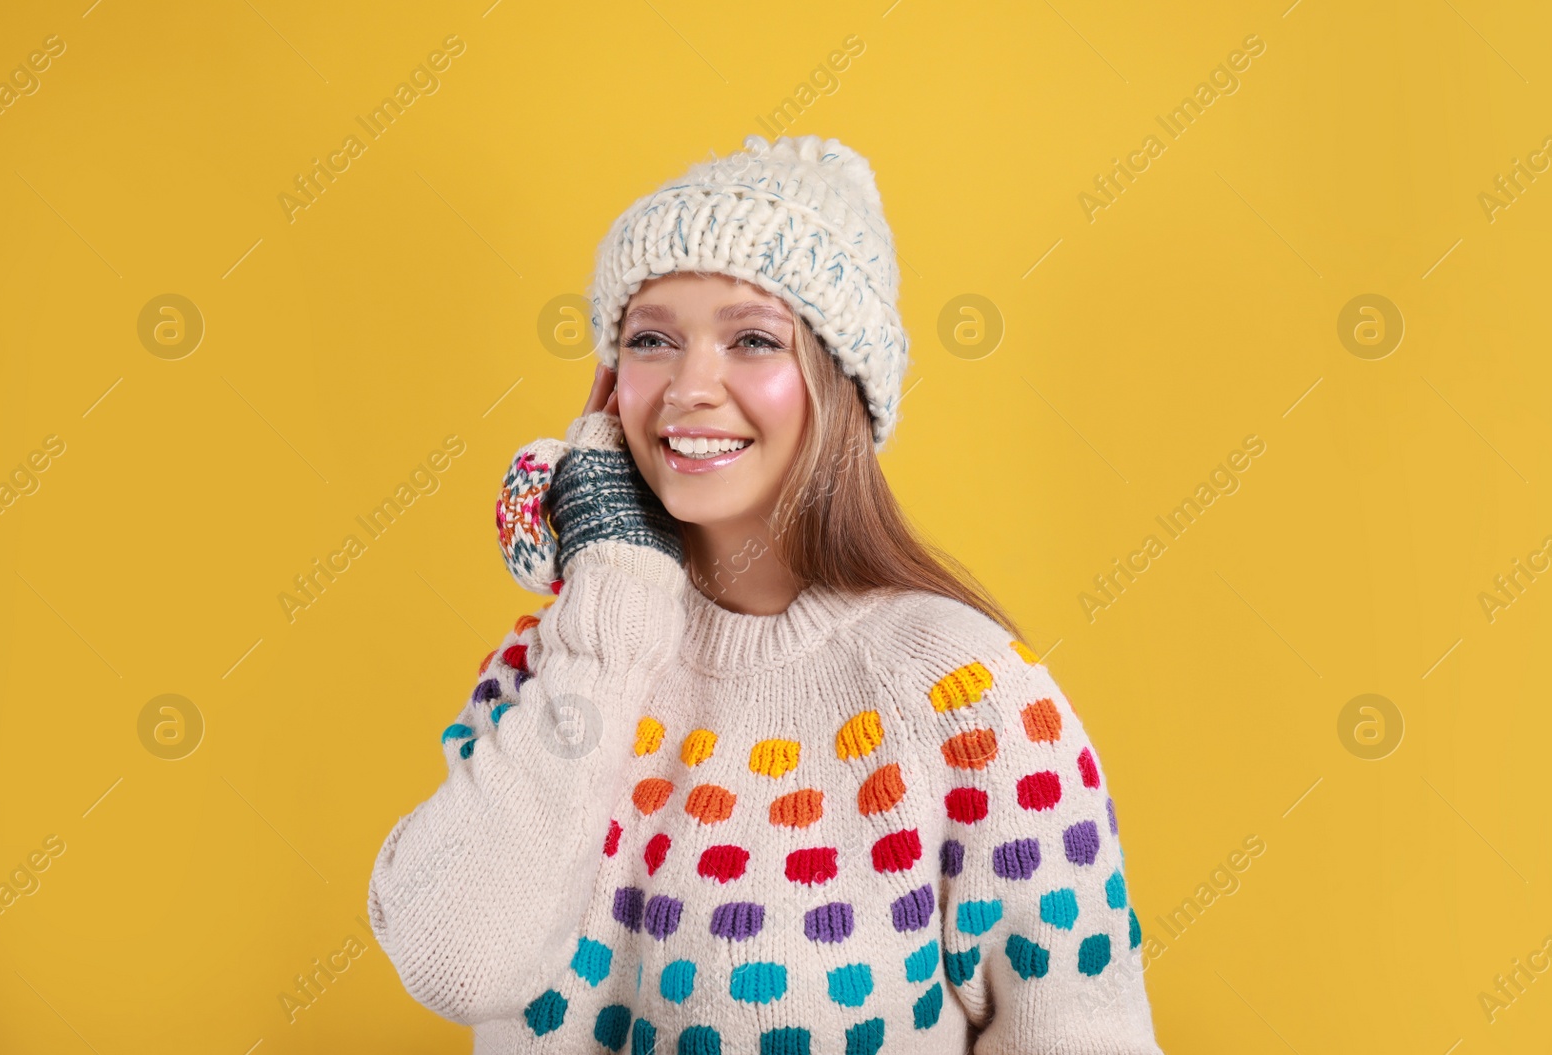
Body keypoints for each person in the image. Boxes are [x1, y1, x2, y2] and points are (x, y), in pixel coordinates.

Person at [367, 133, 1163, 1054]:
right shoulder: (552, 662)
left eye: (752, 340)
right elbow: (455, 962)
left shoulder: (968, 694)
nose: (689, 387)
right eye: (650, 340)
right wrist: (612, 609)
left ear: (840, 384)